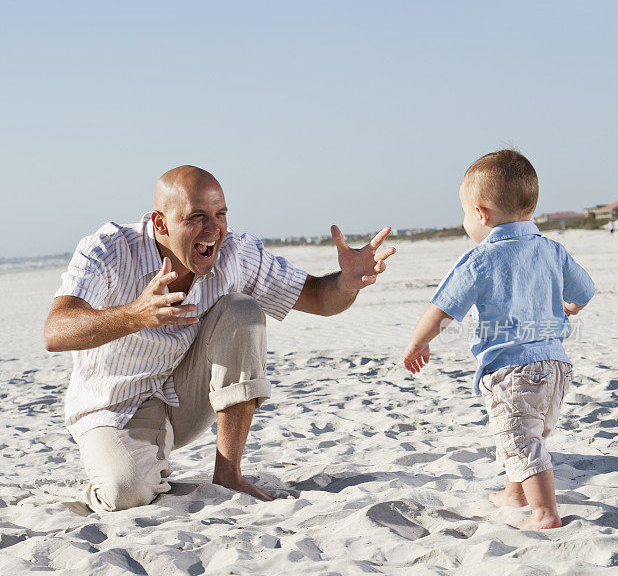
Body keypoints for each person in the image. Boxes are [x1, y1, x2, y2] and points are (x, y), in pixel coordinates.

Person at [45, 165, 395, 511]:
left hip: (184, 398)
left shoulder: (236, 255)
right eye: (197, 217)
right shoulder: (109, 249)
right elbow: (56, 331)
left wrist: (348, 282)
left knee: (242, 310)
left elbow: (319, 296)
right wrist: (135, 315)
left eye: (220, 214)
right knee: (126, 492)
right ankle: (128, 464)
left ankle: (228, 475)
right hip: (114, 404)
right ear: (160, 223)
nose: (214, 229)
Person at [403, 150, 595, 530]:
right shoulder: (552, 249)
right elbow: (585, 290)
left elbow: (442, 308)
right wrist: (569, 306)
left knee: (520, 438)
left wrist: (418, 342)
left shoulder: (480, 258)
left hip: (512, 370)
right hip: (557, 366)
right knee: (528, 432)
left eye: (464, 212)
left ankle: (544, 512)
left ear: (482, 214)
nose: (463, 222)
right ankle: (514, 493)